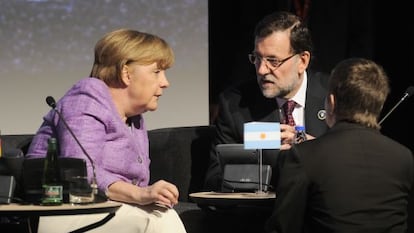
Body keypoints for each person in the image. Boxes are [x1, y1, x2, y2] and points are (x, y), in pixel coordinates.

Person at [26, 29, 187, 233]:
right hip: (61, 210)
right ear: (126, 73)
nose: (165, 82)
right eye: (157, 72)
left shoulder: (134, 119)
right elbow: (81, 171)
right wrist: (140, 193)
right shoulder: (86, 98)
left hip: (106, 209)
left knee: (163, 213)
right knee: (155, 221)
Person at [265, 58, 414, 233]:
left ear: (332, 102)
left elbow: (283, 227)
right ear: (379, 104)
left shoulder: (304, 156)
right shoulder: (404, 157)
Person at [204, 11, 330, 191]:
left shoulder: (335, 96)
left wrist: (315, 150)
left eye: (273, 61)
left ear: (302, 61)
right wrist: (268, 175)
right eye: (257, 58)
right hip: (262, 213)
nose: (262, 70)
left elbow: (358, 164)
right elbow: (215, 178)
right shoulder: (235, 105)